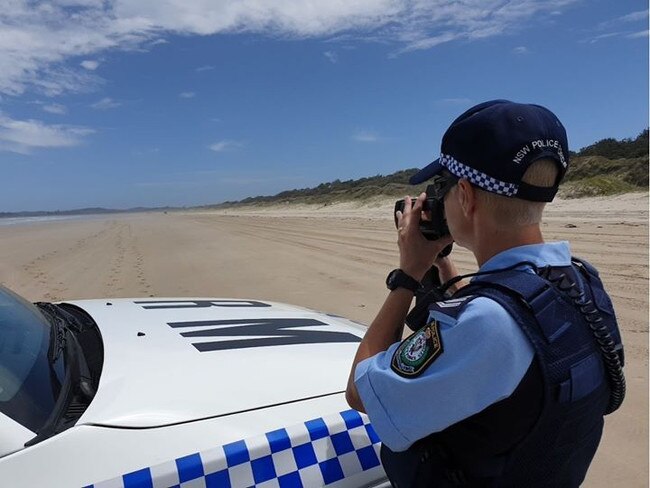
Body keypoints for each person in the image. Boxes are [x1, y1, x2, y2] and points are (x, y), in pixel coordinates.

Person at [345, 100, 625, 487]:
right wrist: (441, 262)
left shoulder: (487, 323)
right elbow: (514, 324)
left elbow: (360, 392)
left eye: (441, 188)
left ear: (466, 195)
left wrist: (408, 274)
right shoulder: (579, 281)